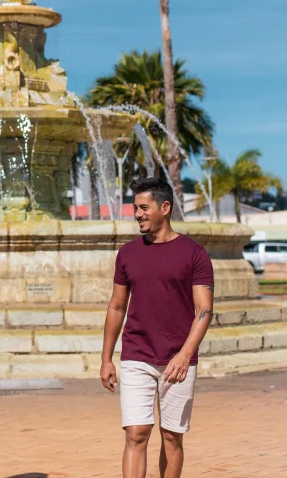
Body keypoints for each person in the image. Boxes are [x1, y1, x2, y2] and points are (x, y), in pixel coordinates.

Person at [100, 177, 214, 478]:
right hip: (137, 355)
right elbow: (116, 306)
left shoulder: (195, 254)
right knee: (135, 433)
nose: (137, 214)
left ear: (165, 207)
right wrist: (106, 358)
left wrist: (184, 354)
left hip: (179, 359)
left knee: (171, 436)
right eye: (135, 208)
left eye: (144, 207)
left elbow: (204, 309)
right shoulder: (127, 253)